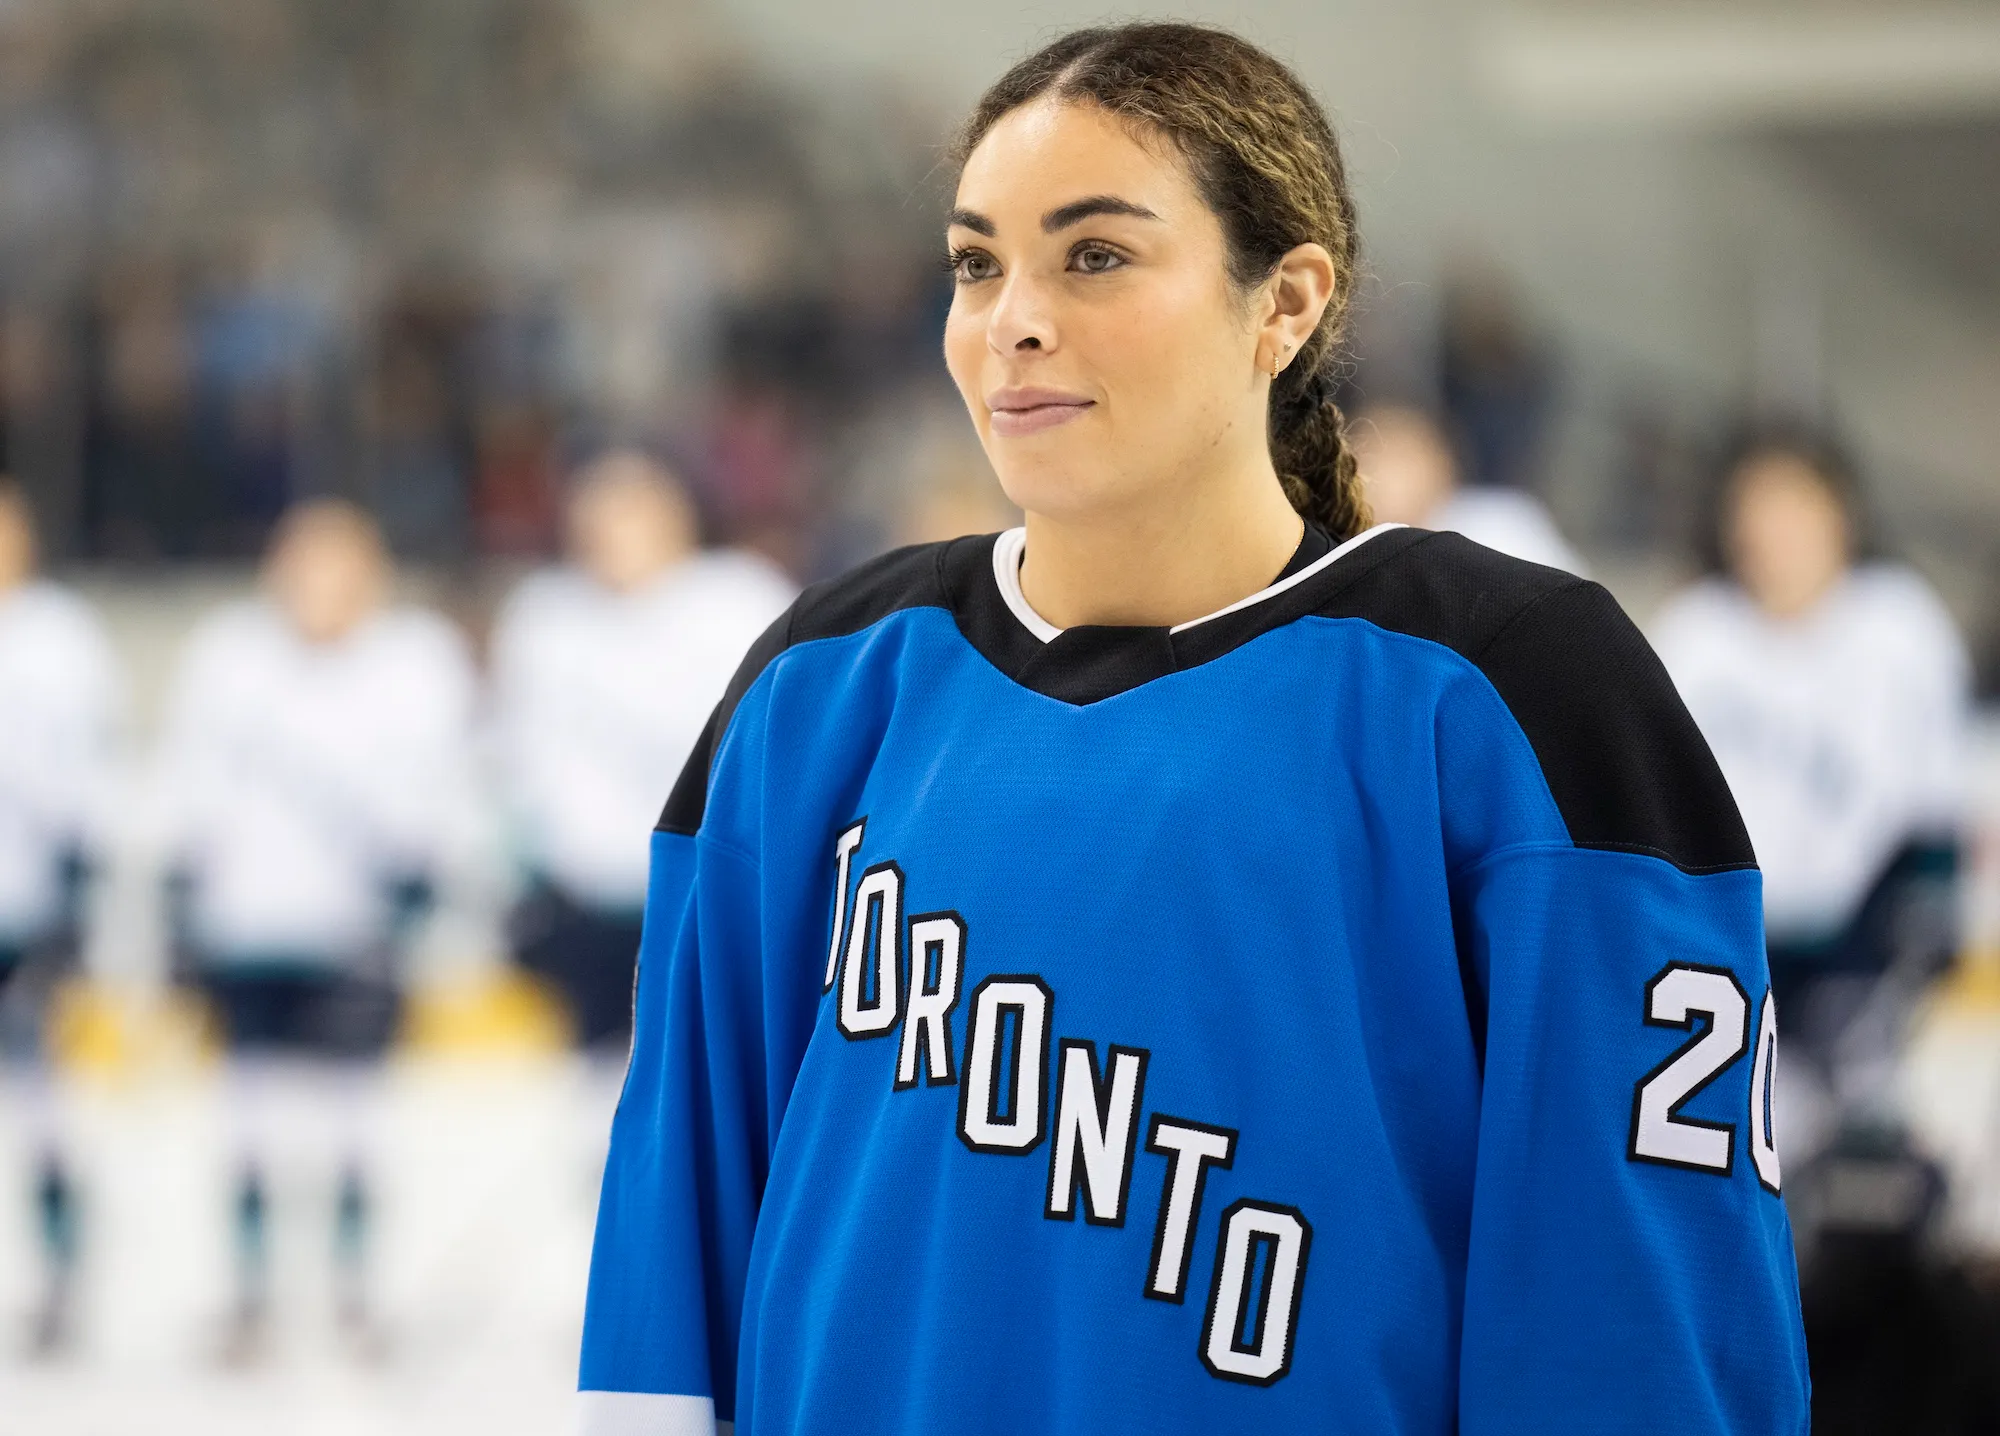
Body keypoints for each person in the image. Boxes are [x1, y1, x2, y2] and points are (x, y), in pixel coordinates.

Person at [580, 23, 1807, 1435]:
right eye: (978, 263)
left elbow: (1642, 1312)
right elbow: (676, 1251)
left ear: (1283, 304)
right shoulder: (818, 684)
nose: (1013, 320)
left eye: (1094, 255)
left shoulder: (1512, 683)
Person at [153, 498, 476, 1361]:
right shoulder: (231, 658)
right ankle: (252, 1292)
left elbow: (440, 785)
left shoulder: (415, 664)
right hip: (246, 923)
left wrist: (419, 881)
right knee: (247, 1116)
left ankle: (355, 1289)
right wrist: (182, 897)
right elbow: (194, 779)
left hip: (354, 929)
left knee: (354, 1118)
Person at [1652, 430, 1969, 1130]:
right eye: (1755, 508)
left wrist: (1899, 966)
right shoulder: (1695, 634)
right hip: (1726, 950)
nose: (1773, 530)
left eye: (1795, 505)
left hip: (1864, 963)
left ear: (1841, 515)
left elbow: (1936, 834)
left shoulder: (1900, 628)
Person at [492, 450, 794, 1054]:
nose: (613, 533)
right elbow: (519, 755)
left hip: (708, 893)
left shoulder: (738, 602)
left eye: (630, 513)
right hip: (582, 904)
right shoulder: (546, 616)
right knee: (599, 1089)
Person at [0, 478, 120, 1353]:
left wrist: (80, 885)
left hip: (27, 906)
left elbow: (89, 772)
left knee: (43, 1106)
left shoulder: (58, 640)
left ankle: (59, 1274)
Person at [1353, 401, 1586, 574]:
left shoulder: (1504, 524)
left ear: (1443, 465)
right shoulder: (1342, 549)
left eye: (1404, 459)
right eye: (1376, 460)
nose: (1392, 479)